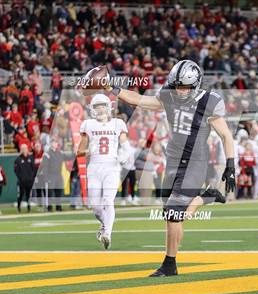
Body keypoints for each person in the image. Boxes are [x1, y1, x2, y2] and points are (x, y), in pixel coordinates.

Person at [104, 59, 235, 277]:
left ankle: (169, 264)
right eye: (177, 86)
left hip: (194, 162)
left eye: (184, 87)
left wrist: (230, 164)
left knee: (173, 213)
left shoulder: (208, 102)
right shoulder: (169, 94)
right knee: (173, 216)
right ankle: (207, 197)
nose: (180, 91)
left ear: (196, 84)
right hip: (172, 161)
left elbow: (225, 134)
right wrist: (112, 89)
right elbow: (140, 100)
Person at [77, 94, 131, 249]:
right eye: (97, 106)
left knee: (108, 201)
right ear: (92, 109)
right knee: (95, 205)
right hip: (94, 167)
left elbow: (125, 144)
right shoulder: (88, 124)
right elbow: (79, 150)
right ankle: (104, 225)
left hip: (112, 166)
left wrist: (124, 155)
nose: (100, 109)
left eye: (102, 105)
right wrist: (87, 151)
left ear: (109, 106)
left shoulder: (118, 123)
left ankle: (107, 233)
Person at [14, 144, 35, 213]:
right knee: (20, 195)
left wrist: (31, 177)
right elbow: (16, 171)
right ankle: (18, 207)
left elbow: (33, 169)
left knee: (29, 195)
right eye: (23, 148)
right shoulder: (18, 159)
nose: (24, 150)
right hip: (21, 182)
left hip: (29, 181)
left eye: (25, 148)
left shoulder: (30, 158)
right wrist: (21, 178)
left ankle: (29, 208)